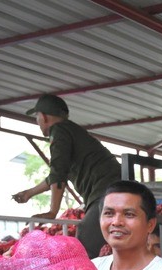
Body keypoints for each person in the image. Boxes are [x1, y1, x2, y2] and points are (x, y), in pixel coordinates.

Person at [12, 94, 122, 259]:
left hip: (105, 190)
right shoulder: (71, 130)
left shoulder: (59, 131)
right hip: (115, 187)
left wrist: (52, 211)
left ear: (43, 117)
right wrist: (29, 193)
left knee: (85, 242)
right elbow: (56, 176)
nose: (38, 122)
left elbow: (58, 173)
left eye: (37, 118)